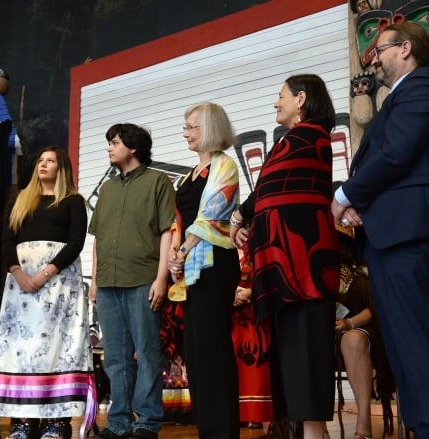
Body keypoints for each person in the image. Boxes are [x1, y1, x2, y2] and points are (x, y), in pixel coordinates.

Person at [330, 22, 429, 438]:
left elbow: (396, 154)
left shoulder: (422, 87)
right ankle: (423, 429)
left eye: (379, 50)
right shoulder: (402, 95)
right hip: (390, 236)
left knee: (419, 343)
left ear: (405, 48)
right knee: (404, 347)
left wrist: (346, 196)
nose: (374, 59)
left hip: (409, 237)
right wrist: (362, 205)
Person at [231, 74, 340, 439]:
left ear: (302, 99)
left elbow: (270, 191)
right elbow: (265, 191)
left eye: (281, 96)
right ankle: (306, 429)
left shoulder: (310, 137)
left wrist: (246, 216)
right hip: (285, 262)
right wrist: (242, 217)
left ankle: (314, 431)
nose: (276, 103)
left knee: (306, 344)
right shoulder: (291, 140)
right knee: (293, 346)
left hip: (303, 260)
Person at [0, 147, 93, 439]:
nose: (43, 165)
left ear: (63, 168)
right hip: (21, 286)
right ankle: (22, 420)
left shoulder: (72, 201)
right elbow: (7, 239)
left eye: (51, 161)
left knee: (58, 348)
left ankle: (57, 422)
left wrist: (45, 273)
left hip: (58, 284)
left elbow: (76, 243)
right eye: (40, 161)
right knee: (22, 349)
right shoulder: (20, 200)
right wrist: (19, 273)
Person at [89, 123, 176, 439]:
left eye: (114, 142)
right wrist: (96, 280)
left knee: (147, 353)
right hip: (109, 283)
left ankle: (148, 422)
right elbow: (97, 237)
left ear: (133, 147)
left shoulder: (157, 182)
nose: (109, 148)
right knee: (114, 358)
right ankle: (118, 422)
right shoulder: (109, 188)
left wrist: (161, 278)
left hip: (143, 280)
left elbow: (168, 230)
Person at [166, 102, 241, 438]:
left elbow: (210, 215)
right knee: (195, 352)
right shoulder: (188, 175)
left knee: (213, 349)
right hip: (190, 269)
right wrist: (173, 255)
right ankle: (207, 428)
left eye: (192, 127)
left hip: (214, 266)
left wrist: (182, 251)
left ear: (210, 128)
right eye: (186, 127)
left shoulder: (225, 165)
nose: (186, 133)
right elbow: (180, 221)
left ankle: (223, 430)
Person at [333, 221, 395, 439]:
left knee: (353, 341)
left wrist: (350, 323)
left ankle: (364, 420)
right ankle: (315, 426)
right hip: (325, 335)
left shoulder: (363, 270)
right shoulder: (314, 269)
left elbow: (376, 306)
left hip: (362, 329)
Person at [231, 247, 273, 436]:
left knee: (259, 370)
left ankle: (262, 416)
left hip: (257, 318)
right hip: (232, 319)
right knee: (235, 367)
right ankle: (240, 415)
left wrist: (250, 293)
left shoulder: (258, 245)